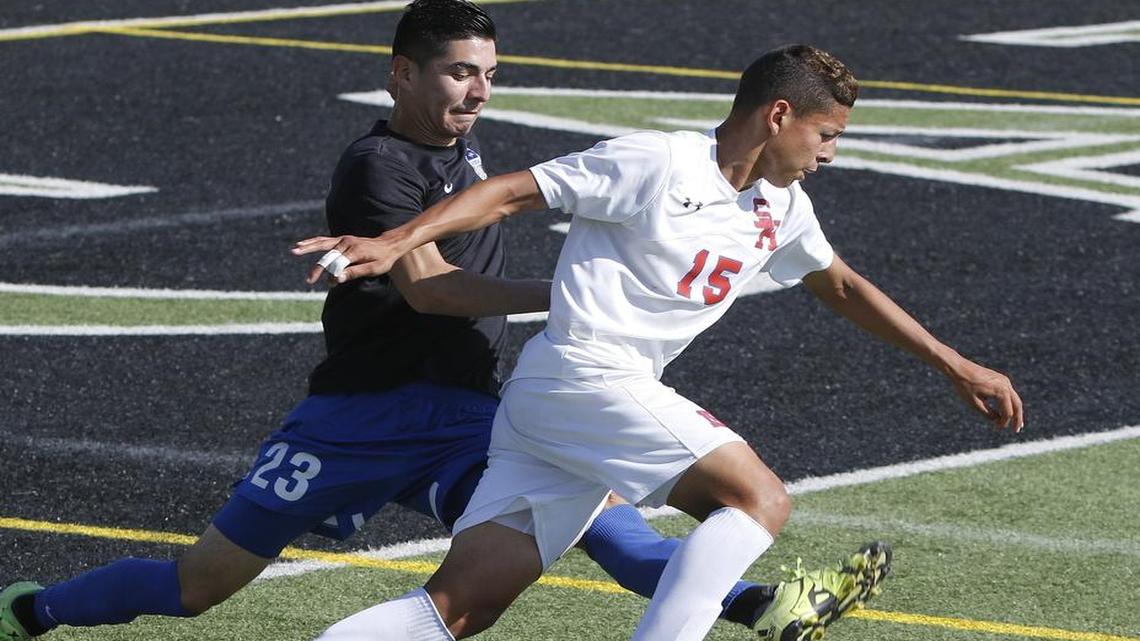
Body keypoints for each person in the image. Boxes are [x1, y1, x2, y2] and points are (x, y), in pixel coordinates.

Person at [0, 4, 856, 641]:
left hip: (466, 413)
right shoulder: (379, 164)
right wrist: (575, 298)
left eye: (488, 73)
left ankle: (755, 602)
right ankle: (32, 610)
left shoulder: (461, 148)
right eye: (458, 72)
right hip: (361, 417)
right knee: (198, 584)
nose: (478, 90)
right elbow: (434, 293)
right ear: (402, 74)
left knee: (595, 522)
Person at [294, 43, 1023, 641]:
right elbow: (512, 190)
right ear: (778, 115)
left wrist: (953, 364)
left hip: (555, 408)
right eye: (826, 134)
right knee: (757, 496)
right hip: (585, 375)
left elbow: (842, 286)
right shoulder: (658, 162)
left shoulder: (781, 206)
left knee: (456, 609)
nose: (830, 154)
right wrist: (397, 240)